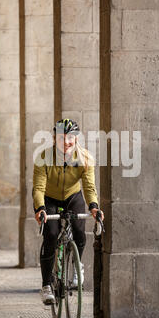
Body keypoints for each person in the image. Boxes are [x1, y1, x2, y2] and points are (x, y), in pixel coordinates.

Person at [33, 118, 104, 305]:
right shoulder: (43, 157)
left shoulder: (85, 158)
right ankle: (46, 285)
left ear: (76, 139)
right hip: (50, 198)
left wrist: (94, 206)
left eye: (70, 137)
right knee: (51, 234)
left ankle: (76, 266)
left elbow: (89, 187)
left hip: (73, 196)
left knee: (80, 231)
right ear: (54, 138)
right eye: (62, 137)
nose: (66, 142)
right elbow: (39, 188)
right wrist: (40, 208)